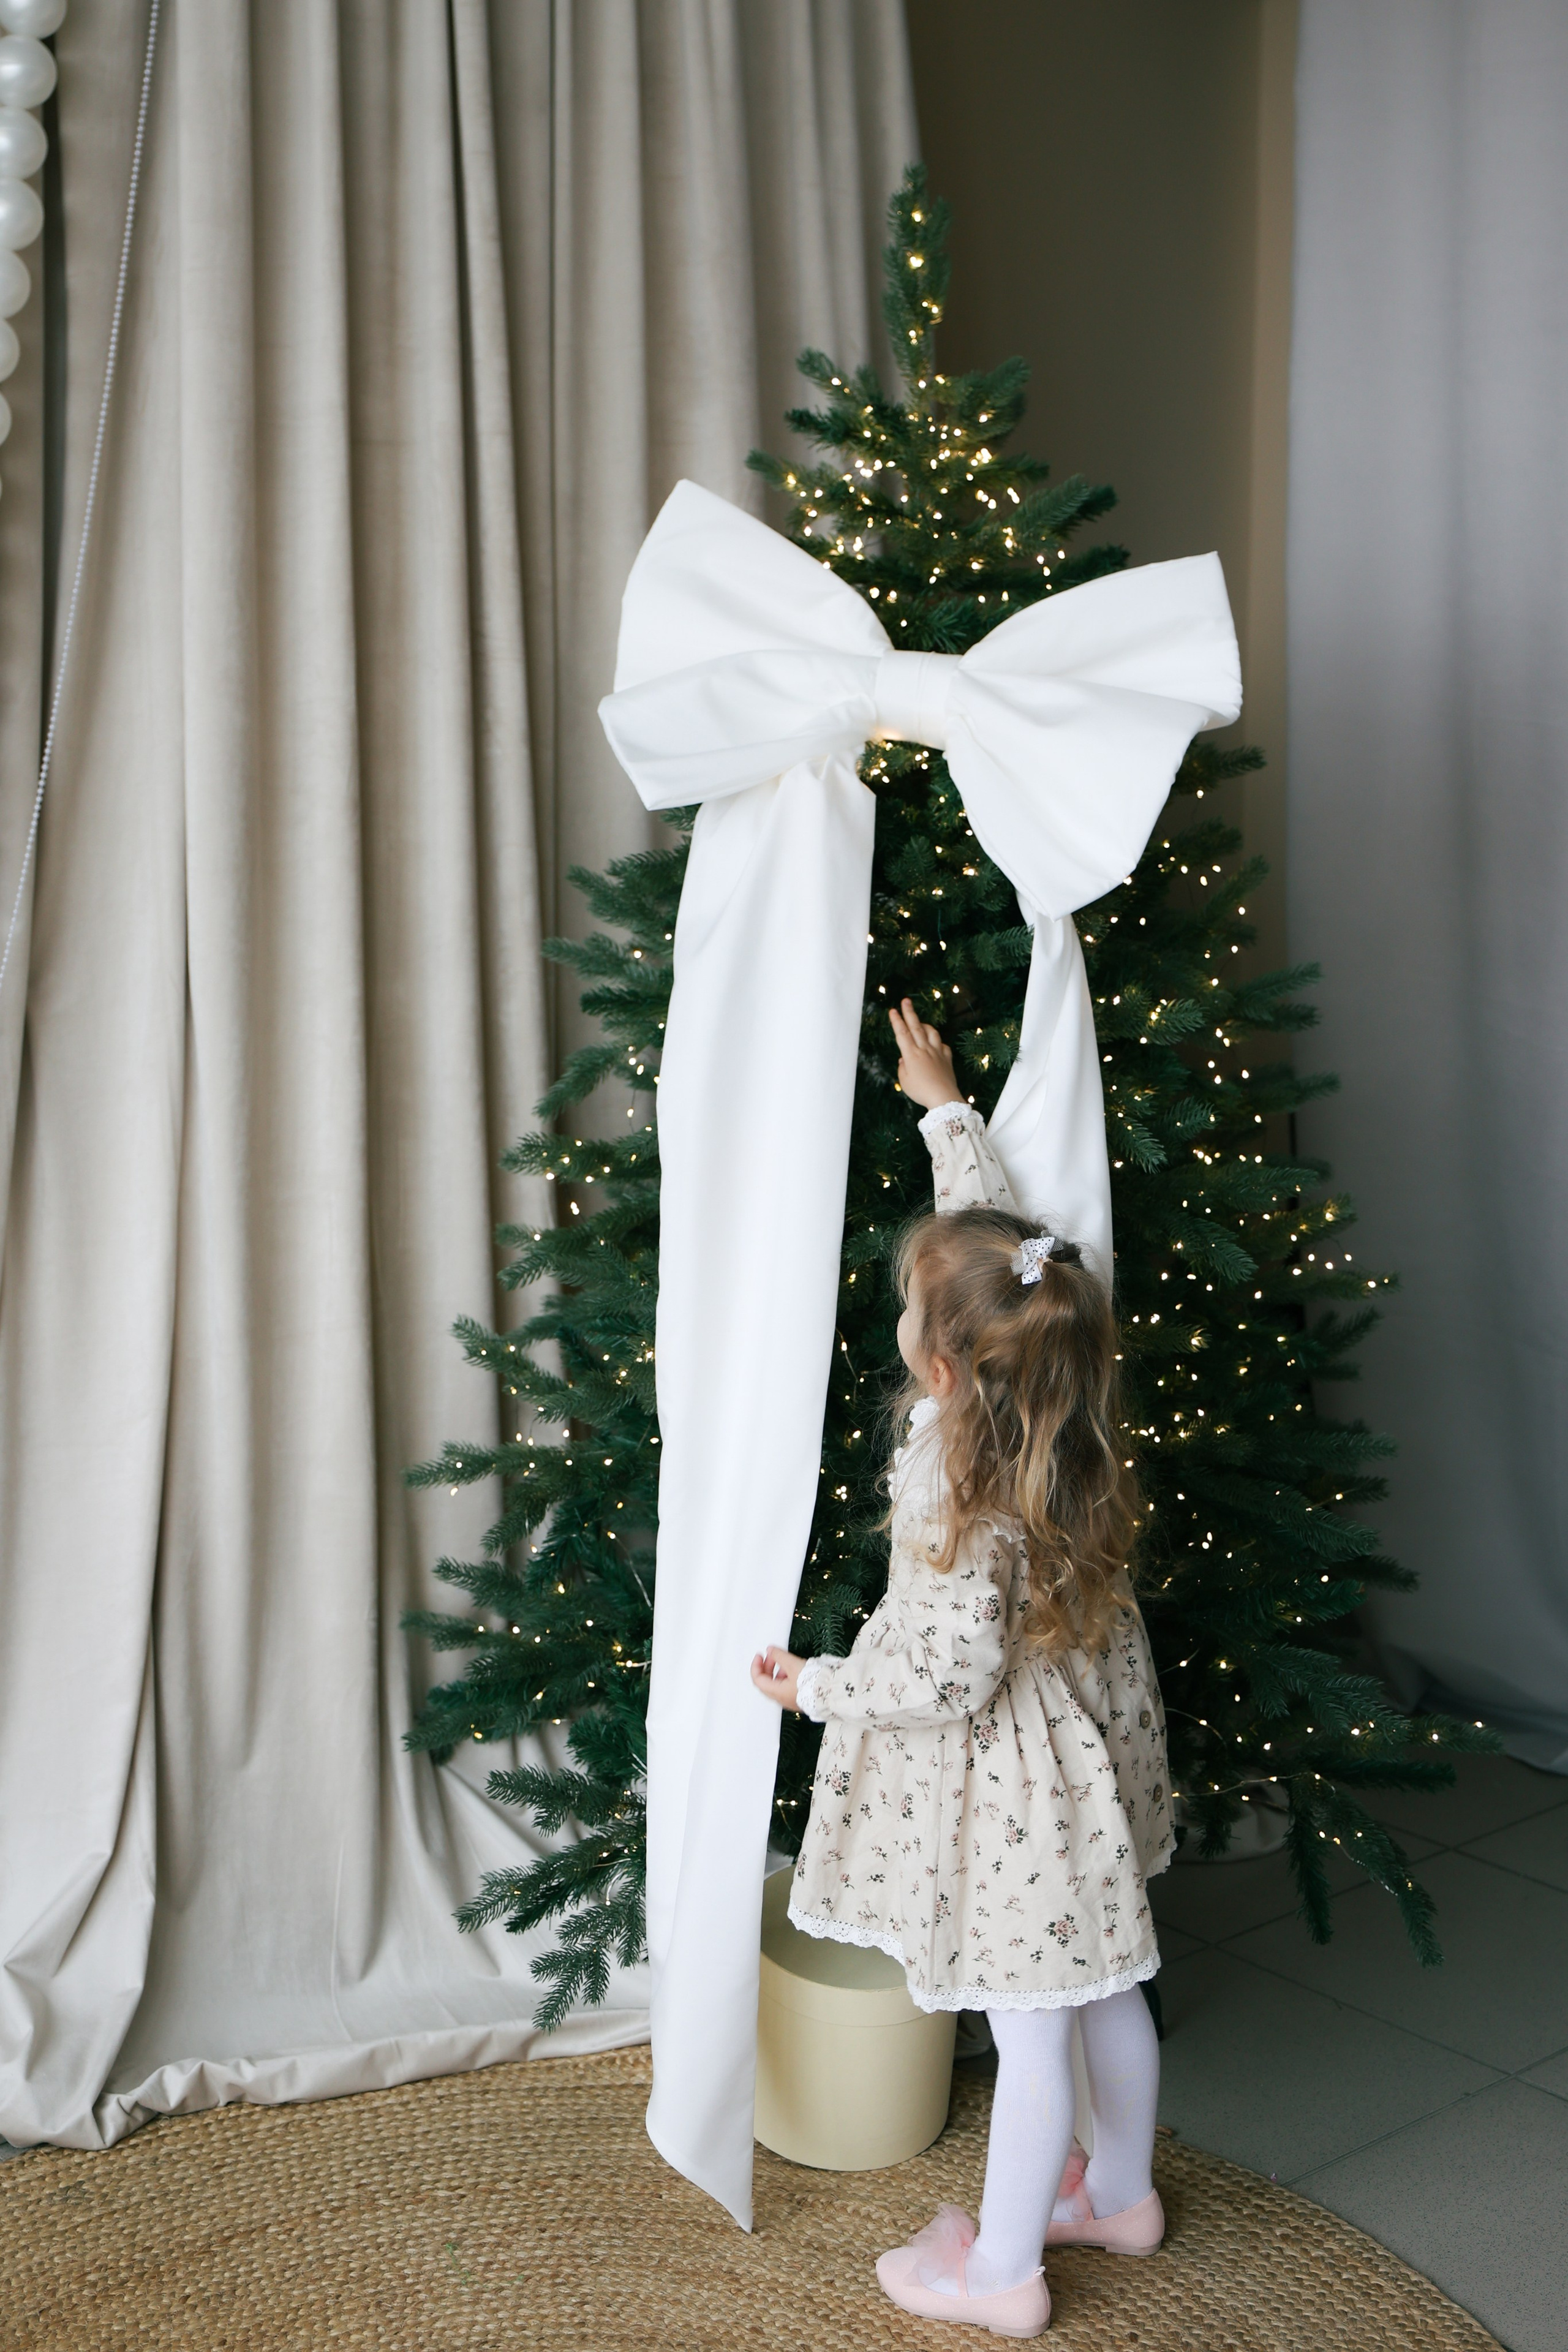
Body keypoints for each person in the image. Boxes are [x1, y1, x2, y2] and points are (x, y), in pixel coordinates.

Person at [752, 999, 1174, 2339]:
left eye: (907, 1312)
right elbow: (997, 1256)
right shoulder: (1063, 1394)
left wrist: (814, 1685)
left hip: (1019, 1795)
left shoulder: (957, 1479)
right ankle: (1118, 2195)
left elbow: (943, 1675)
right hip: (1091, 1748)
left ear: (940, 1363)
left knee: (1034, 2023)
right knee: (1106, 1981)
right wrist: (944, 1113)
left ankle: (1000, 2272)